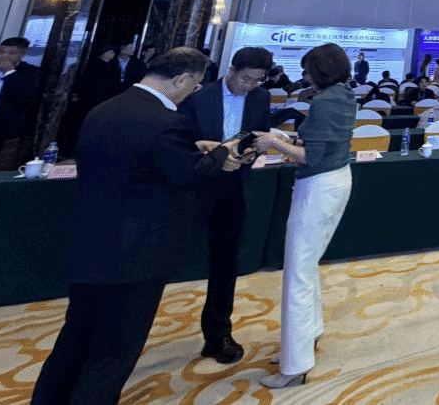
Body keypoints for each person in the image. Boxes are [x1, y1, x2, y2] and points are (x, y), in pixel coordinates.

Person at [32, 48, 244, 405]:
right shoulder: (168, 121)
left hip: (91, 245)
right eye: (194, 84)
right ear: (181, 79)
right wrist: (223, 152)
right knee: (112, 354)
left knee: (74, 341)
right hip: (137, 256)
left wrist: (192, 147)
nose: (193, 91)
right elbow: (190, 175)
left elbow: (136, 158)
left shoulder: (104, 109)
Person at [252, 43, 356, 388]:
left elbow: (310, 157)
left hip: (319, 187)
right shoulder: (343, 94)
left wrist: (274, 143)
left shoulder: (325, 101)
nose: (306, 77)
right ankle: (307, 334)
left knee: (297, 271)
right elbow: (320, 143)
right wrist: (287, 138)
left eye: (310, 70)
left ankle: (295, 366)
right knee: (306, 266)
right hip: (335, 180)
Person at [179, 46, 274, 364]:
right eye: (246, 79)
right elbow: (180, 142)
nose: (250, 86)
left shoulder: (260, 98)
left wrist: (249, 154)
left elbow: (257, 135)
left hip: (233, 187)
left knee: (225, 262)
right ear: (231, 71)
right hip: (194, 187)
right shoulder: (198, 97)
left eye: (257, 81)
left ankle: (218, 334)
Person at [0, 36, 40, 170]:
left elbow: (29, 95)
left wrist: (10, 72)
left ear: (21, 54)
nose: (5, 56)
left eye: (12, 53)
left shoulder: (30, 72)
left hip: (2, 128)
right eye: (2, 52)